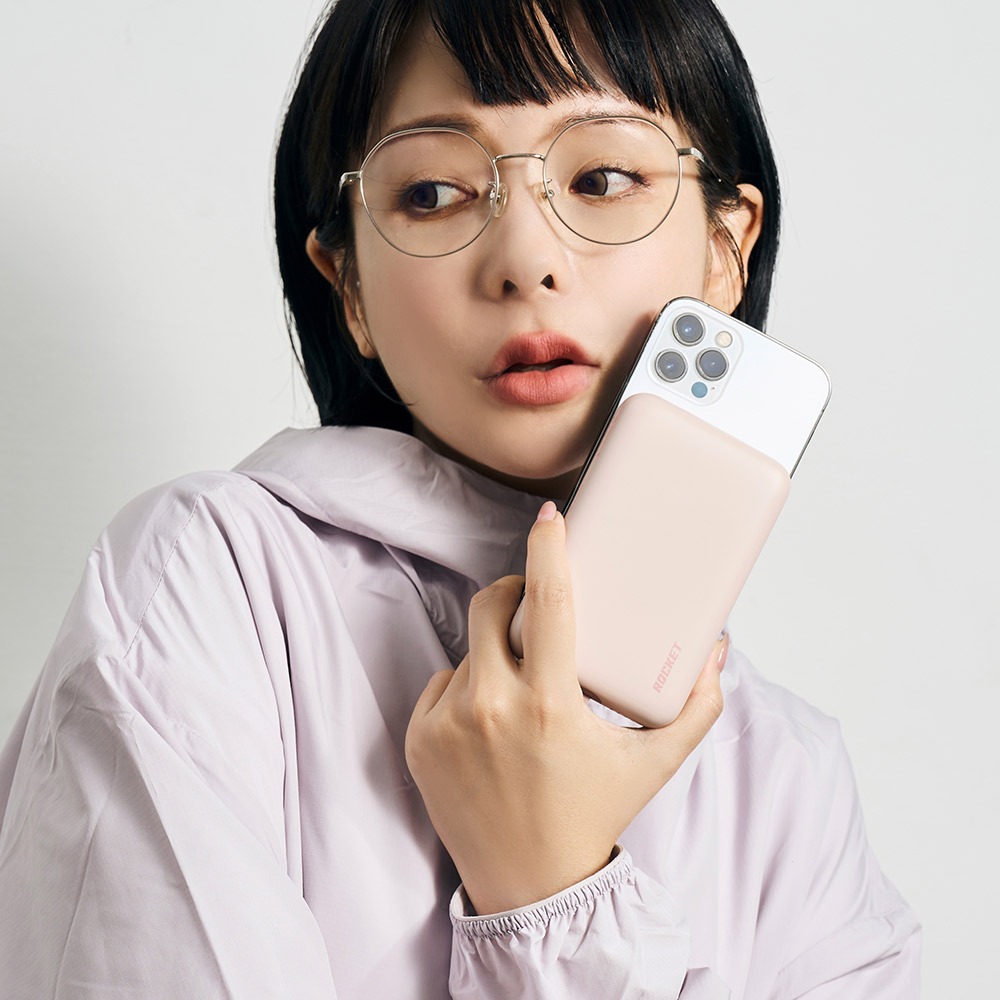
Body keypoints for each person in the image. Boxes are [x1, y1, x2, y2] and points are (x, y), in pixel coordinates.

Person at [0, 0, 920, 996]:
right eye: (433, 193)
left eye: (603, 179)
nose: (526, 260)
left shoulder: (790, 782)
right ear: (348, 286)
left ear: (724, 248)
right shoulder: (205, 589)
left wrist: (548, 887)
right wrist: (550, 911)